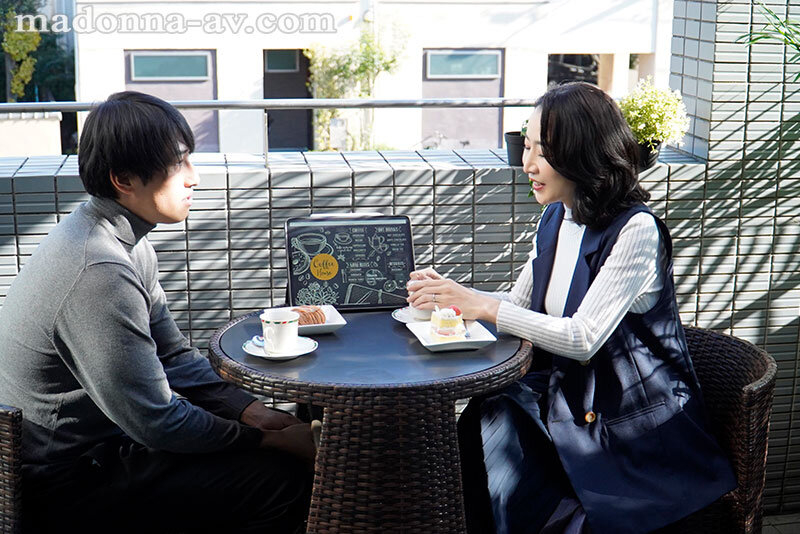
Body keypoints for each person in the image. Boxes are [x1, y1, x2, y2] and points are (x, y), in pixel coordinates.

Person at [406, 82, 736, 534]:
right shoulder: (555, 216)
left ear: (582, 154)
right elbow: (521, 305)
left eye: (542, 152)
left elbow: (582, 337)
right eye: (526, 147)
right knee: (492, 408)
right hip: (570, 396)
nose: (527, 164)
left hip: (628, 419)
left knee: (502, 419)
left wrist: (477, 304)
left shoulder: (636, 230)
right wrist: (453, 297)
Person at [0, 91, 315, 533]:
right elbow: (156, 421)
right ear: (124, 179)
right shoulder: (99, 270)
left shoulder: (121, 240)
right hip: (66, 485)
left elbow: (173, 354)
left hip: (104, 453)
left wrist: (254, 412)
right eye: (179, 163)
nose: (195, 178)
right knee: (285, 481)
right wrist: (267, 440)